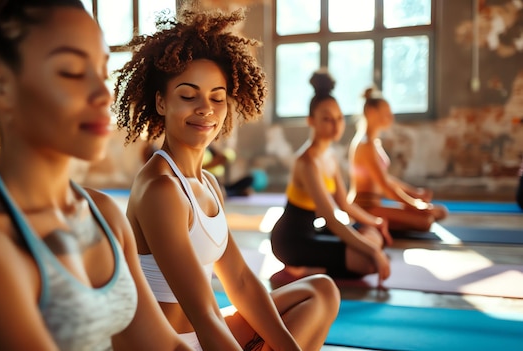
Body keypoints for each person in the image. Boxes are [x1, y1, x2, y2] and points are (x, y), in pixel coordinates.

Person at [0, 1, 192, 350]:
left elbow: (165, 346)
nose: (103, 93)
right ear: (0, 86)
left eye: (102, 69)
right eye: (72, 71)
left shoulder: (104, 214)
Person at [115, 9, 340, 351]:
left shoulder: (208, 184)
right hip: (171, 343)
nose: (206, 108)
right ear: (161, 102)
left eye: (217, 97)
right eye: (188, 96)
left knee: (321, 291)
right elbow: (203, 312)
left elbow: (240, 281)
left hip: (205, 331)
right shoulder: (160, 189)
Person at [270, 70, 392, 286]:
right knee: (369, 263)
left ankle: (311, 268)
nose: (335, 125)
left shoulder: (331, 155)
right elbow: (331, 218)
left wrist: (376, 222)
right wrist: (372, 250)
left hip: (316, 230)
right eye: (326, 119)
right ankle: (303, 268)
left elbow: (344, 204)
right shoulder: (306, 161)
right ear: (311, 121)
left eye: (338, 118)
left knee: (372, 233)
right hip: (292, 241)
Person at [348, 87, 448, 232]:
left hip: (375, 205)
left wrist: (414, 193)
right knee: (425, 220)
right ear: (371, 113)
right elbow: (385, 187)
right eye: (386, 113)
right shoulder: (365, 145)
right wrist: (414, 205)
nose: (390, 117)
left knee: (440, 211)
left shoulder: (374, 143)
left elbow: (385, 178)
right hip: (363, 208)